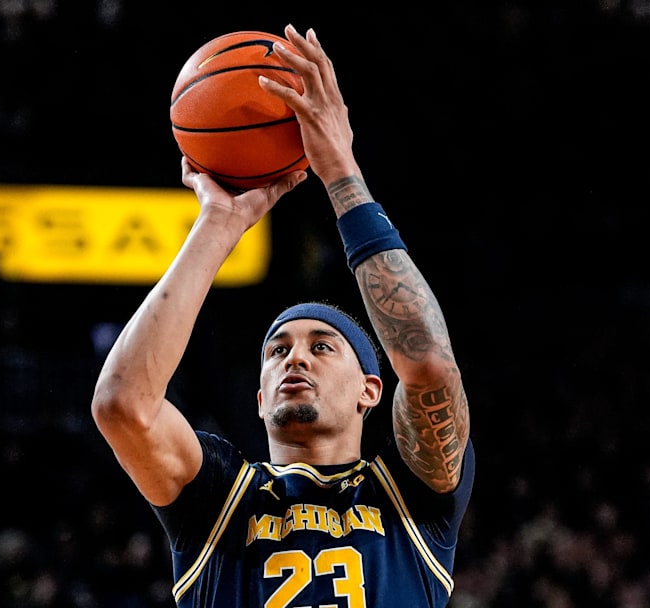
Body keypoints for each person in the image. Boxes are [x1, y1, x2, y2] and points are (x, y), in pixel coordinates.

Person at [91, 24, 475, 607]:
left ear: (371, 390)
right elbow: (123, 406)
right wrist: (217, 225)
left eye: (324, 346)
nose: (295, 355)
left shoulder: (409, 494)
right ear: (261, 398)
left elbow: (426, 361)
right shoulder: (219, 497)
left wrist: (342, 175)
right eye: (277, 350)